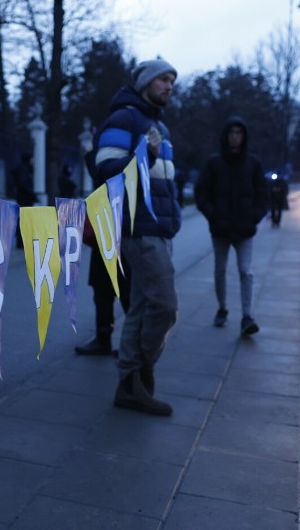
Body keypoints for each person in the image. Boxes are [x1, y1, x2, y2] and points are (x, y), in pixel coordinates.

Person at [92, 57, 182, 416]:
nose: (169, 86)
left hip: (158, 227)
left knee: (144, 307)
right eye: (163, 79)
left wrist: (172, 219)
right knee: (165, 306)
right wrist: (144, 152)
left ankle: (129, 386)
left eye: (172, 81)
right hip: (136, 226)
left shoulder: (160, 126)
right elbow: (104, 170)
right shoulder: (124, 119)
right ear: (145, 82)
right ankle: (139, 372)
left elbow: (165, 184)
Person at [194, 116, 269, 335]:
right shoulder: (214, 163)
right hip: (221, 229)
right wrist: (213, 215)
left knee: (246, 271)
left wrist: (254, 216)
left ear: (244, 136)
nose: (235, 137)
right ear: (226, 136)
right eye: (232, 133)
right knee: (220, 270)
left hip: (245, 229)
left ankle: (247, 316)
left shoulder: (253, 163)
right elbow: (202, 192)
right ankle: (222, 308)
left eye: (239, 133)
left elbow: (263, 195)